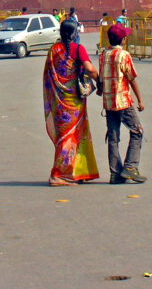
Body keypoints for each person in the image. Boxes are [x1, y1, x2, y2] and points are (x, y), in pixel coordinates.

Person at [42, 19, 99, 186]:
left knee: (69, 136)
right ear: (75, 34)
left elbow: (48, 76)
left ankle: (80, 171)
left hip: (59, 102)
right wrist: (100, 80)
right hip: (74, 101)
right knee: (71, 137)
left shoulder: (54, 50)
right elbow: (89, 69)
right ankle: (59, 175)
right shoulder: (78, 49)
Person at [98, 23, 146, 184]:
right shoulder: (123, 55)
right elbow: (131, 79)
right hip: (123, 100)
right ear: (123, 39)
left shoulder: (103, 54)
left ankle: (115, 172)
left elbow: (100, 78)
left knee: (113, 137)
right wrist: (140, 99)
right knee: (137, 130)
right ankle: (131, 166)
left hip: (109, 101)